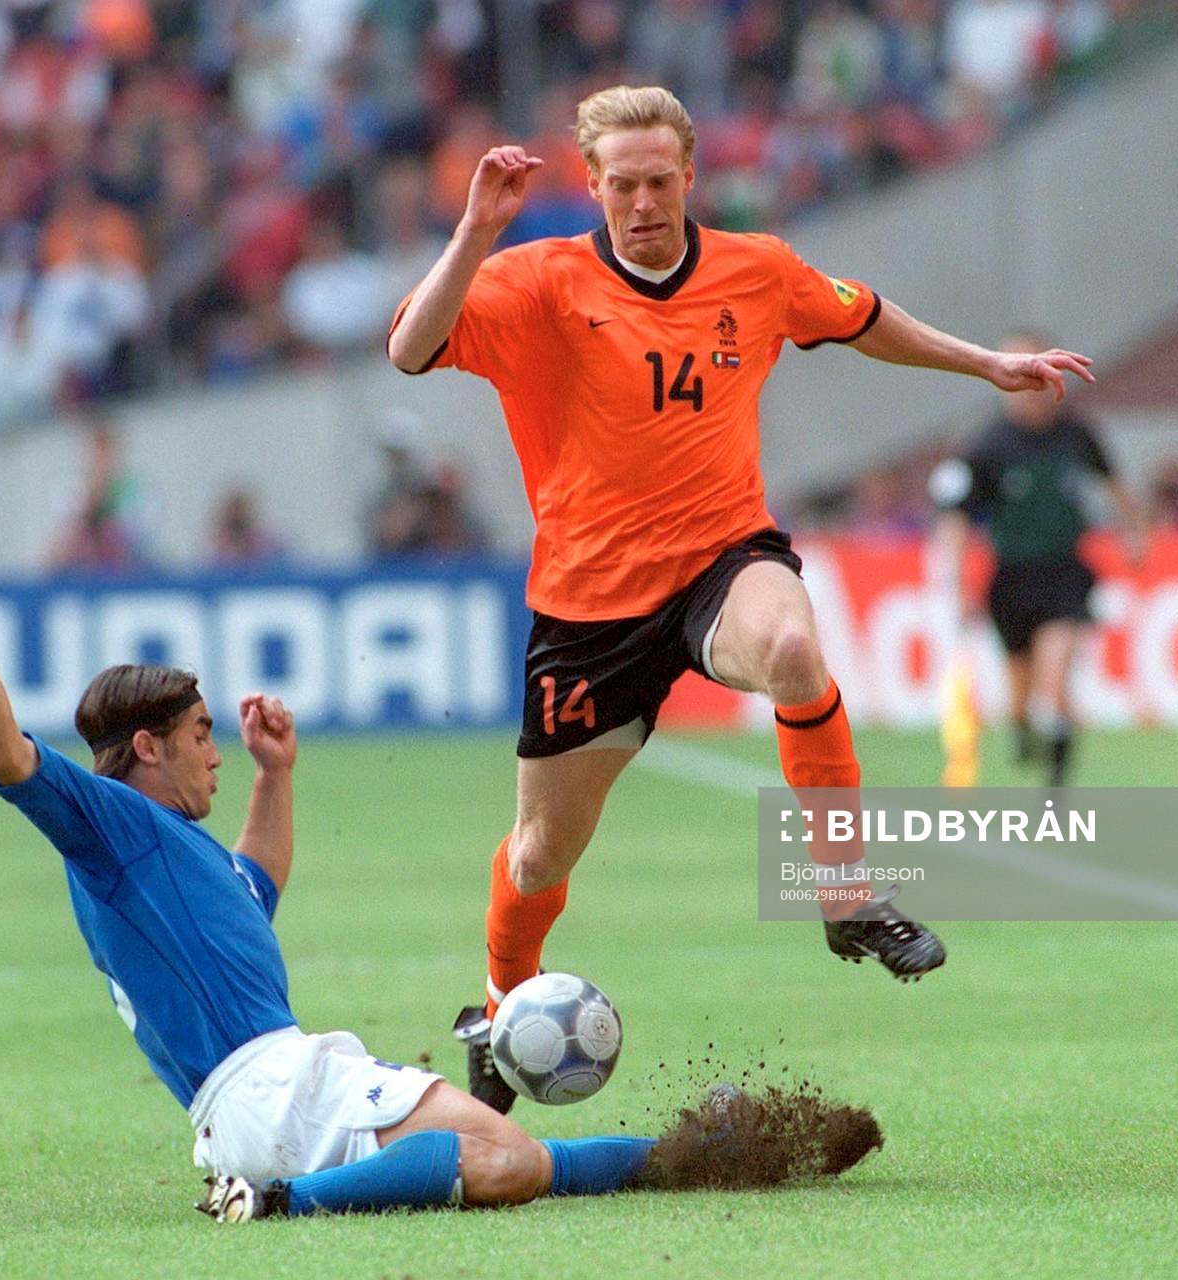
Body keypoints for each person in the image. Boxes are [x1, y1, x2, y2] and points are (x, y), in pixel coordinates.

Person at [388, 84, 1095, 1112]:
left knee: (798, 653)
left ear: (690, 177)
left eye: (659, 180)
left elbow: (858, 316)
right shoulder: (535, 279)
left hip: (722, 555)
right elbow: (409, 347)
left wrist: (985, 363)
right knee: (542, 851)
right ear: (592, 185)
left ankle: (845, 893)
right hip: (590, 602)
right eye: (621, 184)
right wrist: (473, 232)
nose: (641, 201)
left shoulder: (753, 269)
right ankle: (500, 1007)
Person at [0, 533, 663, 1220]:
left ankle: (687, 1156)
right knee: (508, 1156)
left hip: (262, 1101)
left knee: (502, 1150)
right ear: (147, 747)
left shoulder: (170, 853)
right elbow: (9, 757)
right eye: (201, 735)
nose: (216, 754)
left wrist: (275, 776)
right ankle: (280, 1203)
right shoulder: (113, 827)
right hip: (270, 1090)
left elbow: (254, 887)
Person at [930, 330, 1144, 786]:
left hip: (1065, 573)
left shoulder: (1077, 435)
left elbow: (1115, 485)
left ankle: (1058, 785)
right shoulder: (987, 447)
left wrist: (1134, 535)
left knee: (1055, 678)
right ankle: (1022, 728)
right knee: (1020, 700)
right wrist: (958, 584)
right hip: (1011, 579)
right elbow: (957, 521)